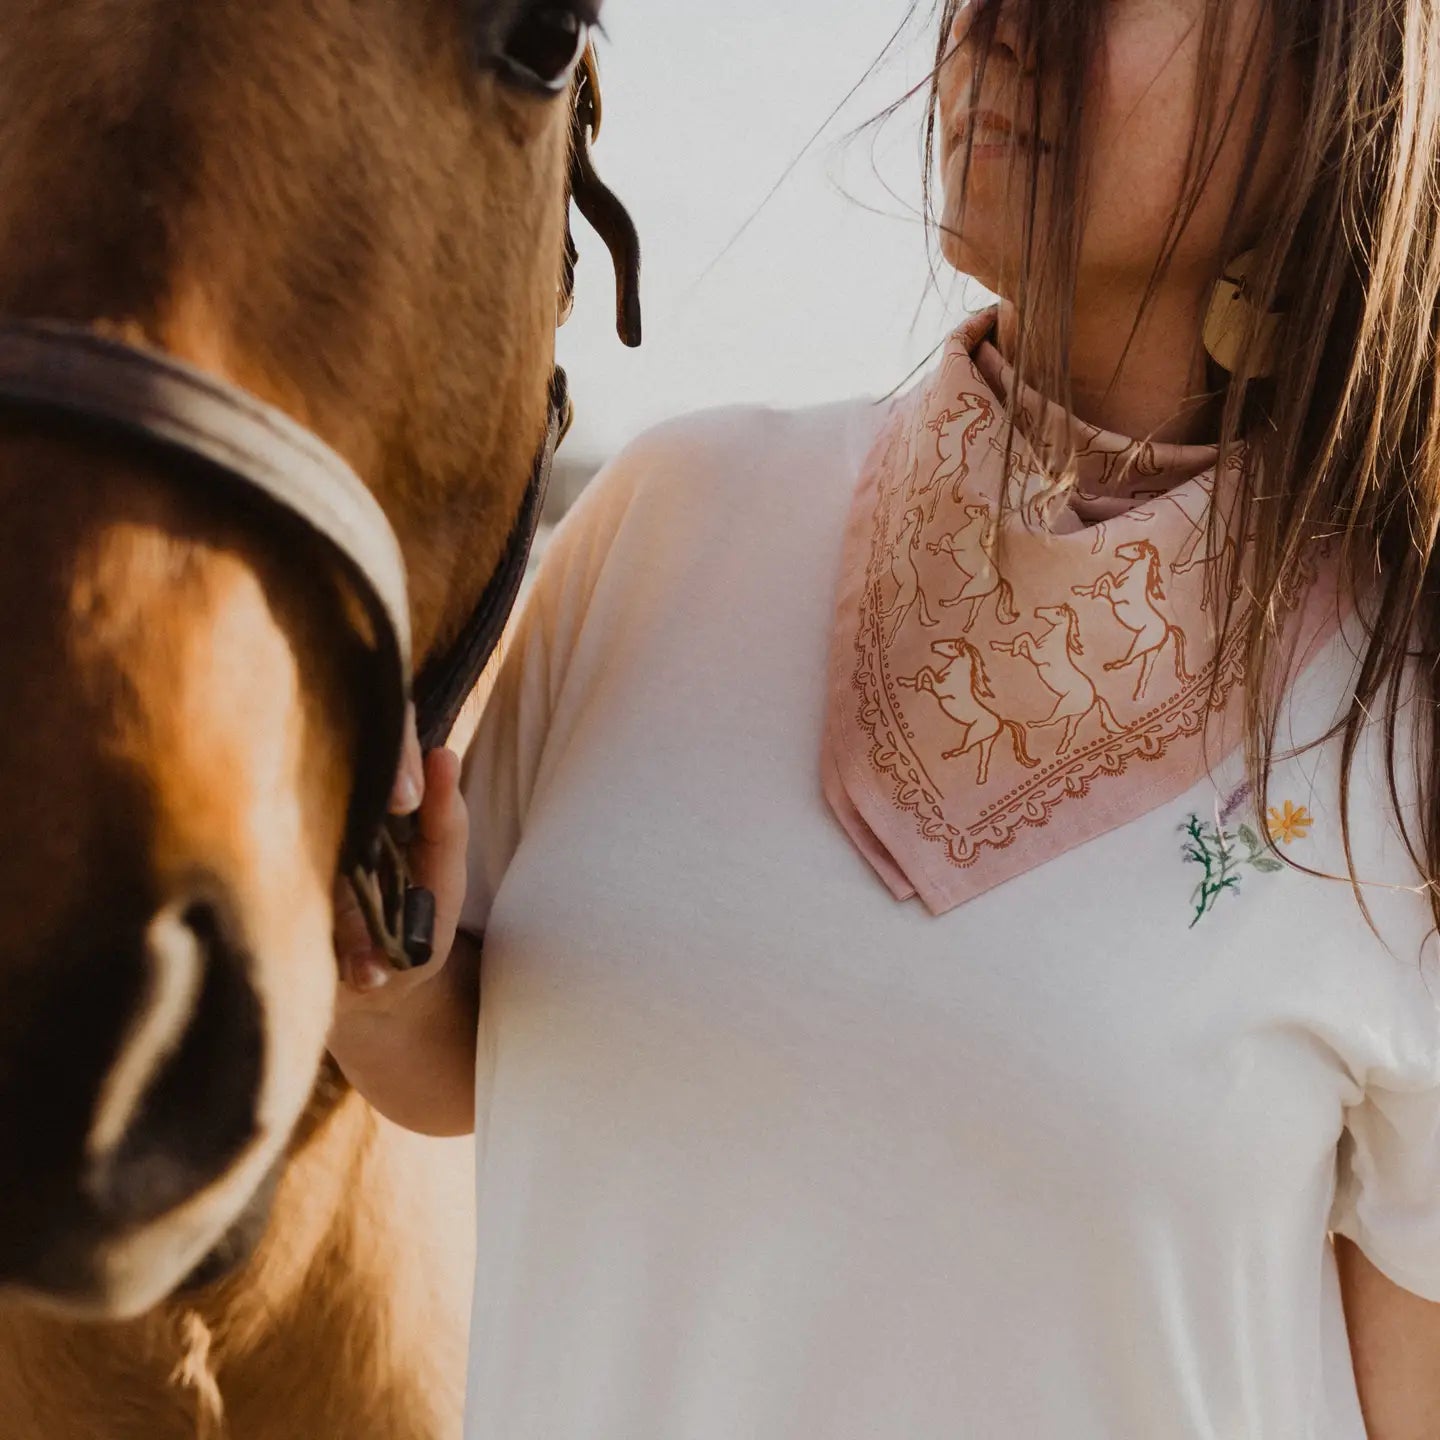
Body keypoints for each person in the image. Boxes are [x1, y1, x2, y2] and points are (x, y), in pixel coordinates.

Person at [329, 1, 1440, 1434]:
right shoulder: (671, 523)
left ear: (1337, 82)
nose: (1000, 23)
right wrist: (382, 969)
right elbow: (456, 1060)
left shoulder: (1398, 736)